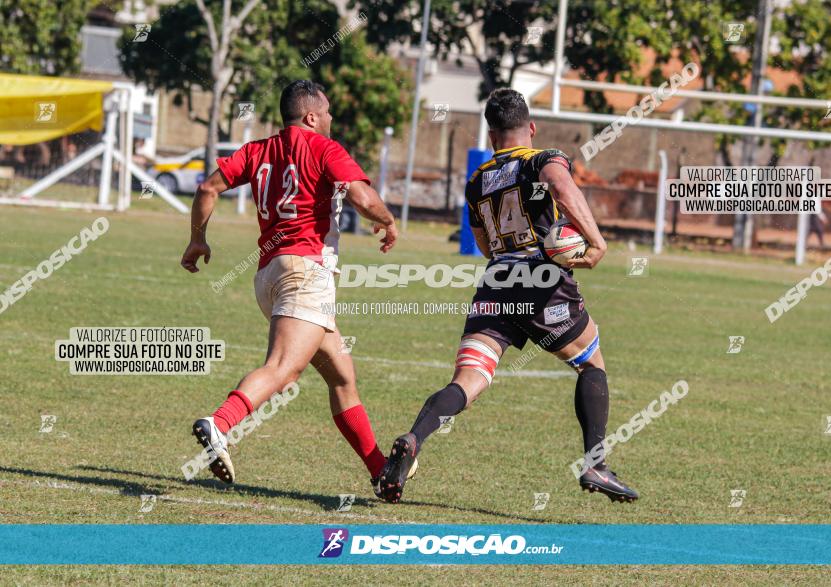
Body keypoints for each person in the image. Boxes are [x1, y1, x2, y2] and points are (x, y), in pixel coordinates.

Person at [377, 88, 638, 504]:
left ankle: (413, 438)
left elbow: (483, 245)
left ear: (491, 134)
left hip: (497, 279)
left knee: (468, 380)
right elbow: (561, 186)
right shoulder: (543, 159)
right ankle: (595, 463)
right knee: (591, 363)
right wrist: (593, 240)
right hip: (541, 280)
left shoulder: (477, 180)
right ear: (530, 128)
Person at [180, 80, 397, 495]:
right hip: (305, 272)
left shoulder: (258, 150)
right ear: (312, 116)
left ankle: (382, 471)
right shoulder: (324, 148)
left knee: (342, 378)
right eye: (328, 111)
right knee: (283, 369)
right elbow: (363, 198)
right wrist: (387, 221)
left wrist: (197, 239)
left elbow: (208, 188)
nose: (331, 118)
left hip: (269, 275)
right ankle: (219, 423)